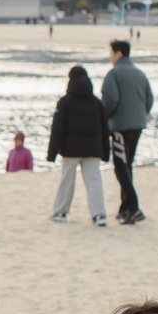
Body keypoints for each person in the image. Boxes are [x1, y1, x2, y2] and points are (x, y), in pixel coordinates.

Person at [46, 65, 109, 228]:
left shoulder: (65, 102)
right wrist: (106, 153)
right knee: (94, 181)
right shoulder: (96, 103)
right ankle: (99, 215)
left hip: (70, 149)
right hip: (93, 149)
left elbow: (57, 130)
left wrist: (52, 153)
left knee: (67, 180)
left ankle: (60, 212)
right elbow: (104, 129)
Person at [102, 39, 155, 225]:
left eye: (111, 53)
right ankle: (124, 208)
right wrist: (141, 115)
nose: (110, 58)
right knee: (128, 165)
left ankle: (133, 208)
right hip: (138, 124)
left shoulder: (114, 74)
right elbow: (150, 99)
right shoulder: (140, 74)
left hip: (119, 126)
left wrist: (105, 118)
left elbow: (111, 99)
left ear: (118, 53)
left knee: (120, 167)